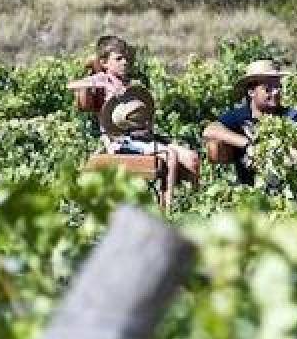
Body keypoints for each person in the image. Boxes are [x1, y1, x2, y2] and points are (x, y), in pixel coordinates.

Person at [69, 35, 200, 211]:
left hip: (143, 137)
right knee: (170, 155)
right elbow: (77, 88)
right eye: (119, 58)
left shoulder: (129, 84)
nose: (125, 62)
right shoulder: (103, 80)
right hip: (121, 141)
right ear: (105, 62)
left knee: (192, 159)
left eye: (126, 58)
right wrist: (92, 69)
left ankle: (194, 207)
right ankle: (166, 210)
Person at [203, 59, 297, 185]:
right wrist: (248, 144)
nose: (276, 92)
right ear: (251, 92)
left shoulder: (291, 116)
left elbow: (296, 154)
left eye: (278, 87)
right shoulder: (241, 115)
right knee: (214, 145)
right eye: (268, 88)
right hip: (248, 189)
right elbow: (209, 131)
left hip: (283, 188)